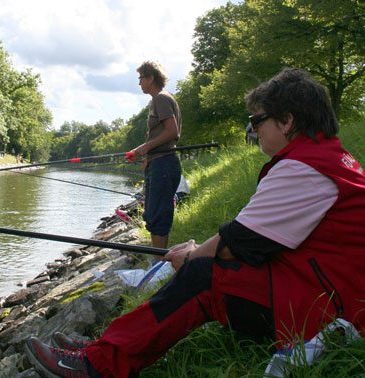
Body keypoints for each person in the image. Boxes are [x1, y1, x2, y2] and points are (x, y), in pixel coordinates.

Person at [24, 68, 365, 378]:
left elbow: (239, 244)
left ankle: (99, 366)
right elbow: (254, 235)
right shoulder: (327, 158)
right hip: (329, 293)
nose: (252, 128)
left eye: (257, 119)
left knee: (202, 278)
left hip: (331, 311)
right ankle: (104, 349)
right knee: (201, 267)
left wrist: (193, 256)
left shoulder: (303, 169)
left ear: (287, 121)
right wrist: (197, 249)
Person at [125, 61, 182, 250]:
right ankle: (157, 260)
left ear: (151, 78)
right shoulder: (158, 99)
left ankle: (159, 263)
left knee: (158, 215)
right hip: (158, 163)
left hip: (164, 164)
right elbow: (158, 134)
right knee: (152, 212)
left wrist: (144, 147)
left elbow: (171, 131)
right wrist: (145, 157)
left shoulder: (161, 98)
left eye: (141, 78)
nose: (139, 83)